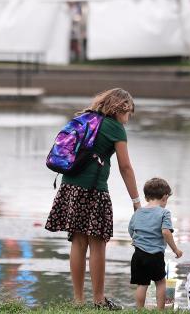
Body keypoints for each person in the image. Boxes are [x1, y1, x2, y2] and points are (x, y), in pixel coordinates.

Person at [45, 88, 140, 309]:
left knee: (77, 242)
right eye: (128, 114)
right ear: (121, 108)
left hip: (70, 186)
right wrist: (136, 201)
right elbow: (125, 167)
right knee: (98, 244)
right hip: (94, 190)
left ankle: (78, 301)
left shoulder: (85, 119)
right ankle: (98, 301)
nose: (127, 121)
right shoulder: (115, 128)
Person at [128, 177, 183, 310]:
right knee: (160, 282)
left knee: (142, 284)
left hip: (138, 254)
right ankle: (160, 310)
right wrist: (175, 249)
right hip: (155, 255)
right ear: (164, 197)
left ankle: (140, 310)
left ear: (146, 198)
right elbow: (166, 232)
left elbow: (131, 229)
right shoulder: (164, 213)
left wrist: (138, 240)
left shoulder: (138, 212)